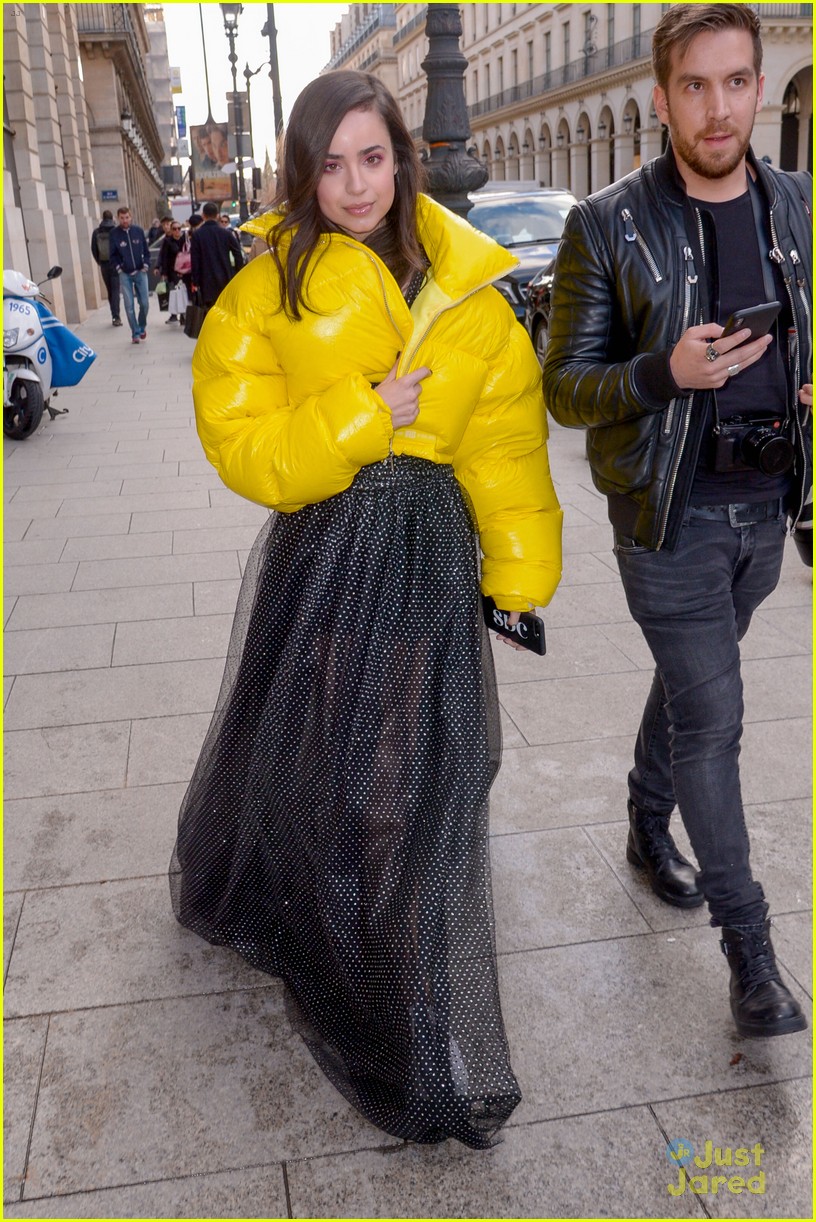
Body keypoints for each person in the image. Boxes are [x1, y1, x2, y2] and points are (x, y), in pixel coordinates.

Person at [170, 69, 562, 1149]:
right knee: (350, 776)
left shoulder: (472, 286)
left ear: (404, 157)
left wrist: (518, 577)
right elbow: (237, 441)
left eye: (373, 157)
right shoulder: (270, 285)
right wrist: (358, 413)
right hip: (331, 553)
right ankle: (374, 988)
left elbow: (507, 443)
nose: (354, 183)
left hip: (430, 558)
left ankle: (409, 1002)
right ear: (304, 171)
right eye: (330, 162)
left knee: (422, 779)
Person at [543, 3, 811, 1039]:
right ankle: (753, 956)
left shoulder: (796, 205)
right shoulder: (606, 222)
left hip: (767, 513)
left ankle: (647, 816)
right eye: (694, 86)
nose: (717, 107)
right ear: (661, 98)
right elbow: (565, 386)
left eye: (736, 82)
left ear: (759, 86)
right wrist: (666, 372)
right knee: (716, 717)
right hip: (669, 515)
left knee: (693, 691)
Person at [189, 200, 244, 309]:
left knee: (210, 312)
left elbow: (195, 260)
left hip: (206, 282)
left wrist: (195, 281)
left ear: (203, 216)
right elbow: (238, 254)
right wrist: (237, 273)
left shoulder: (197, 235)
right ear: (217, 216)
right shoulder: (226, 233)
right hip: (226, 279)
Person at [108, 206, 150, 344]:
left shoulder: (138, 231)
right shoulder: (114, 234)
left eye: (127, 217)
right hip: (124, 274)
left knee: (144, 303)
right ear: (118, 218)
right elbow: (112, 255)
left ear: (131, 217)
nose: (125, 220)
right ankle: (135, 332)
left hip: (140, 271)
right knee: (129, 305)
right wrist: (119, 268)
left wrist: (146, 264)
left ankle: (142, 326)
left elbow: (146, 250)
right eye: (122, 218)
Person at [90, 209, 122, 326]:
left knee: (110, 290)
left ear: (102, 218)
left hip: (104, 264)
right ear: (112, 218)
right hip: (115, 264)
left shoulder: (96, 232)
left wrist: (99, 261)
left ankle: (113, 315)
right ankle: (116, 316)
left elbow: (93, 249)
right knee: (116, 290)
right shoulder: (116, 231)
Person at [159, 219, 190, 324]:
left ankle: (183, 315)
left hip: (185, 270)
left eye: (179, 228)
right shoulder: (167, 242)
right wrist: (163, 272)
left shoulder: (184, 240)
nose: (177, 231)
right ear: (171, 231)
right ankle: (175, 314)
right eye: (174, 229)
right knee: (176, 292)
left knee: (184, 292)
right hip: (173, 271)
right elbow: (164, 257)